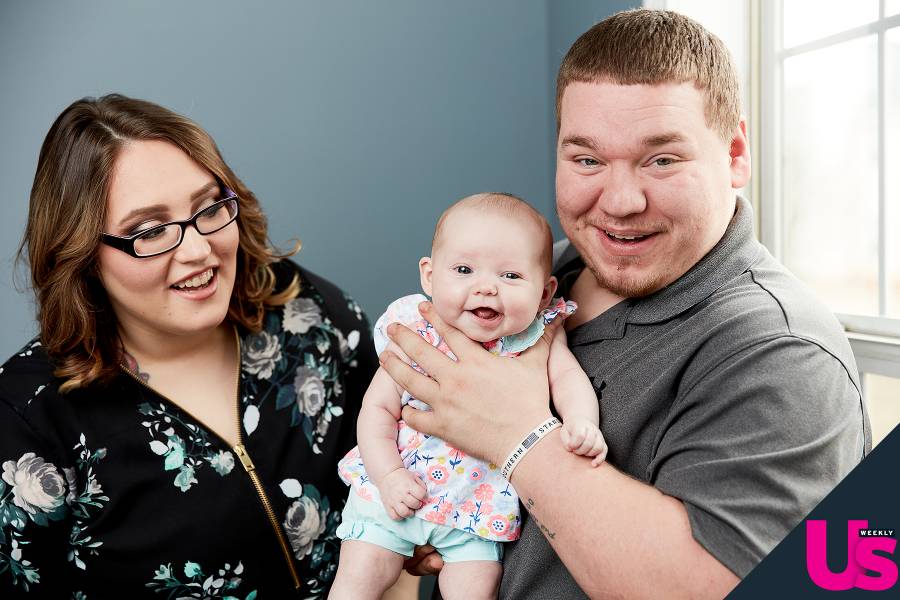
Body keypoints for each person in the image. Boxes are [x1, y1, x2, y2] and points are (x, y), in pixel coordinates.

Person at [383, 10, 871, 599]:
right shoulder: (543, 272)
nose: (620, 202)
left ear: (736, 153)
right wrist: (430, 513)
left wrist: (515, 436)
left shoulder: (783, 354)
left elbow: (715, 587)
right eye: (587, 159)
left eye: (661, 159)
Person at [0, 94, 377, 598]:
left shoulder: (308, 313)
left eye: (209, 208)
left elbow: (393, 496)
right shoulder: (27, 422)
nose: (200, 251)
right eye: (150, 231)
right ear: (83, 254)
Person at [329, 194, 606, 600]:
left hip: (476, 505)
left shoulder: (536, 336)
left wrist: (582, 421)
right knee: (358, 579)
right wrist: (388, 476)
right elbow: (376, 410)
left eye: (511, 276)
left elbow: (567, 379)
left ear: (545, 294)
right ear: (429, 276)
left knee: (475, 588)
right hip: (396, 488)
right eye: (463, 270)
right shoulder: (416, 331)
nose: (486, 288)